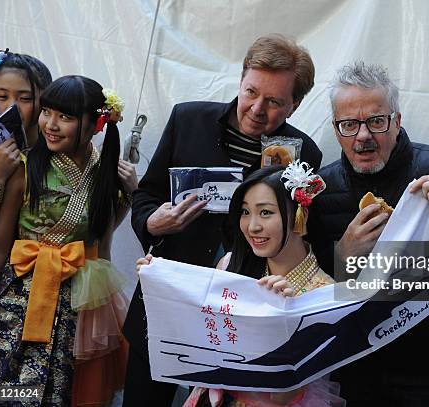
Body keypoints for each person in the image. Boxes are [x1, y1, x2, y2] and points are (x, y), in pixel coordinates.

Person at [124, 34, 323, 405]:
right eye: (251, 92)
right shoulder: (188, 119)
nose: (256, 108)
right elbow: (145, 196)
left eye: (274, 101)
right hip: (167, 305)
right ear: (242, 78)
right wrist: (153, 223)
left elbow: (298, 236)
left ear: (294, 106)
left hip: (237, 323)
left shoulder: (302, 153)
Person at [306, 61, 429, 406]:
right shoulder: (321, 190)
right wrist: (343, 258)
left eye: (376, 121)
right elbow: (308, 292)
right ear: (337, 130)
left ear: (397, 122)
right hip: (354, 368)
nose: (364, 136)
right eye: (349, 124)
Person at [0, 75, 137, 406]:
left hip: (77, 307)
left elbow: (100, 246)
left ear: (95, 124)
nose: (51, 124)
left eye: (66, 116)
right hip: (16, 299)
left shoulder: (107, 176)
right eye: (48, 112)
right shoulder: (26, 167)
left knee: (58, 394)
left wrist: (132, 194)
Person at [136, 163, 345, 407]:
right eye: (245, 212)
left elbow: (283, 396)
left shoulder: (323, 294)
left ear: (301, 215)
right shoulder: (230, 265)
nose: (252, 226)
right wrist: (161, 279)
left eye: (265, 212)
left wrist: (282, 318)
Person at [0, 51, 52, 249]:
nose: (11, 107)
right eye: (1, 96)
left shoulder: (57, 152)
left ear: (45, 101)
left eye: (25, 98)